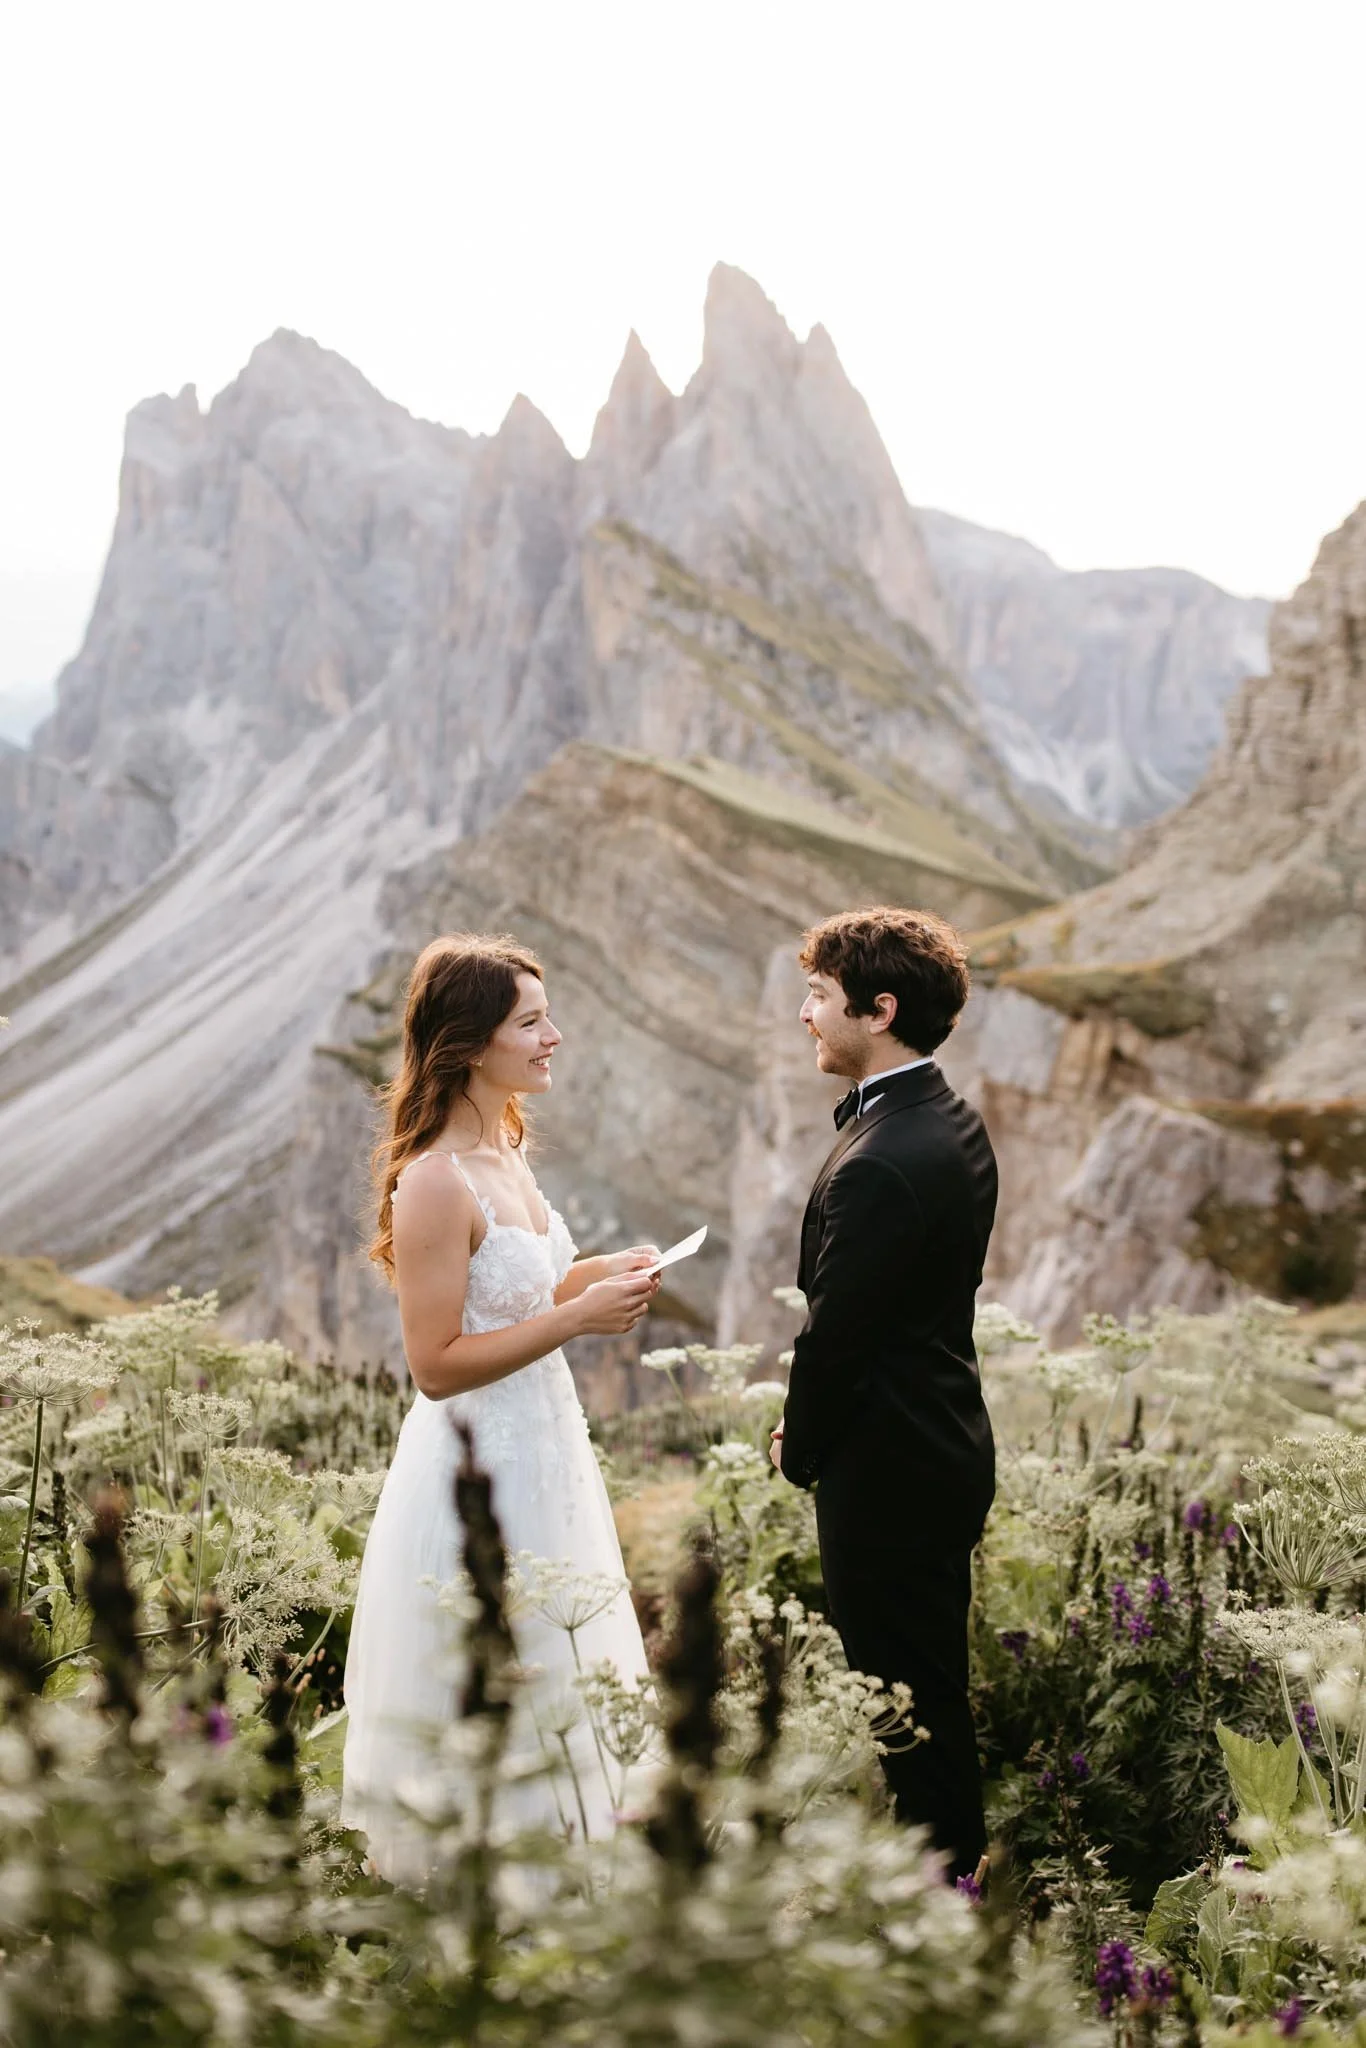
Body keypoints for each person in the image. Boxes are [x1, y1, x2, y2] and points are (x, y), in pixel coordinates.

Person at [341, 932, 659, 1878]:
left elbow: (527, 1291)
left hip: (549, 1453)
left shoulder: (507, 1151)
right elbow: (435, 1364)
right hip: (476, 1464)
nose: (553, 1037)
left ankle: (570, 1868)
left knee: (559, 1657)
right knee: (488, 1666)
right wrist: (577, 1320)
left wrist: (601, 1275)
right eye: (531, 1023)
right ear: (473, 1043)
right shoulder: (433, 1180)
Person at [772, 906, 997, 1883]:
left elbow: (838, 1338)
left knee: (909, 1710)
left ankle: (944, 1899)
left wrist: (800, 1445)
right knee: (924, 1690)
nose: (805, 1014)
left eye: (819, 995)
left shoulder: (880, 1162)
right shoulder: (948, 1118)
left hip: (890, 1470)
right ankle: (943, 1881)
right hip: (940, 1438)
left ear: (881, 1009)